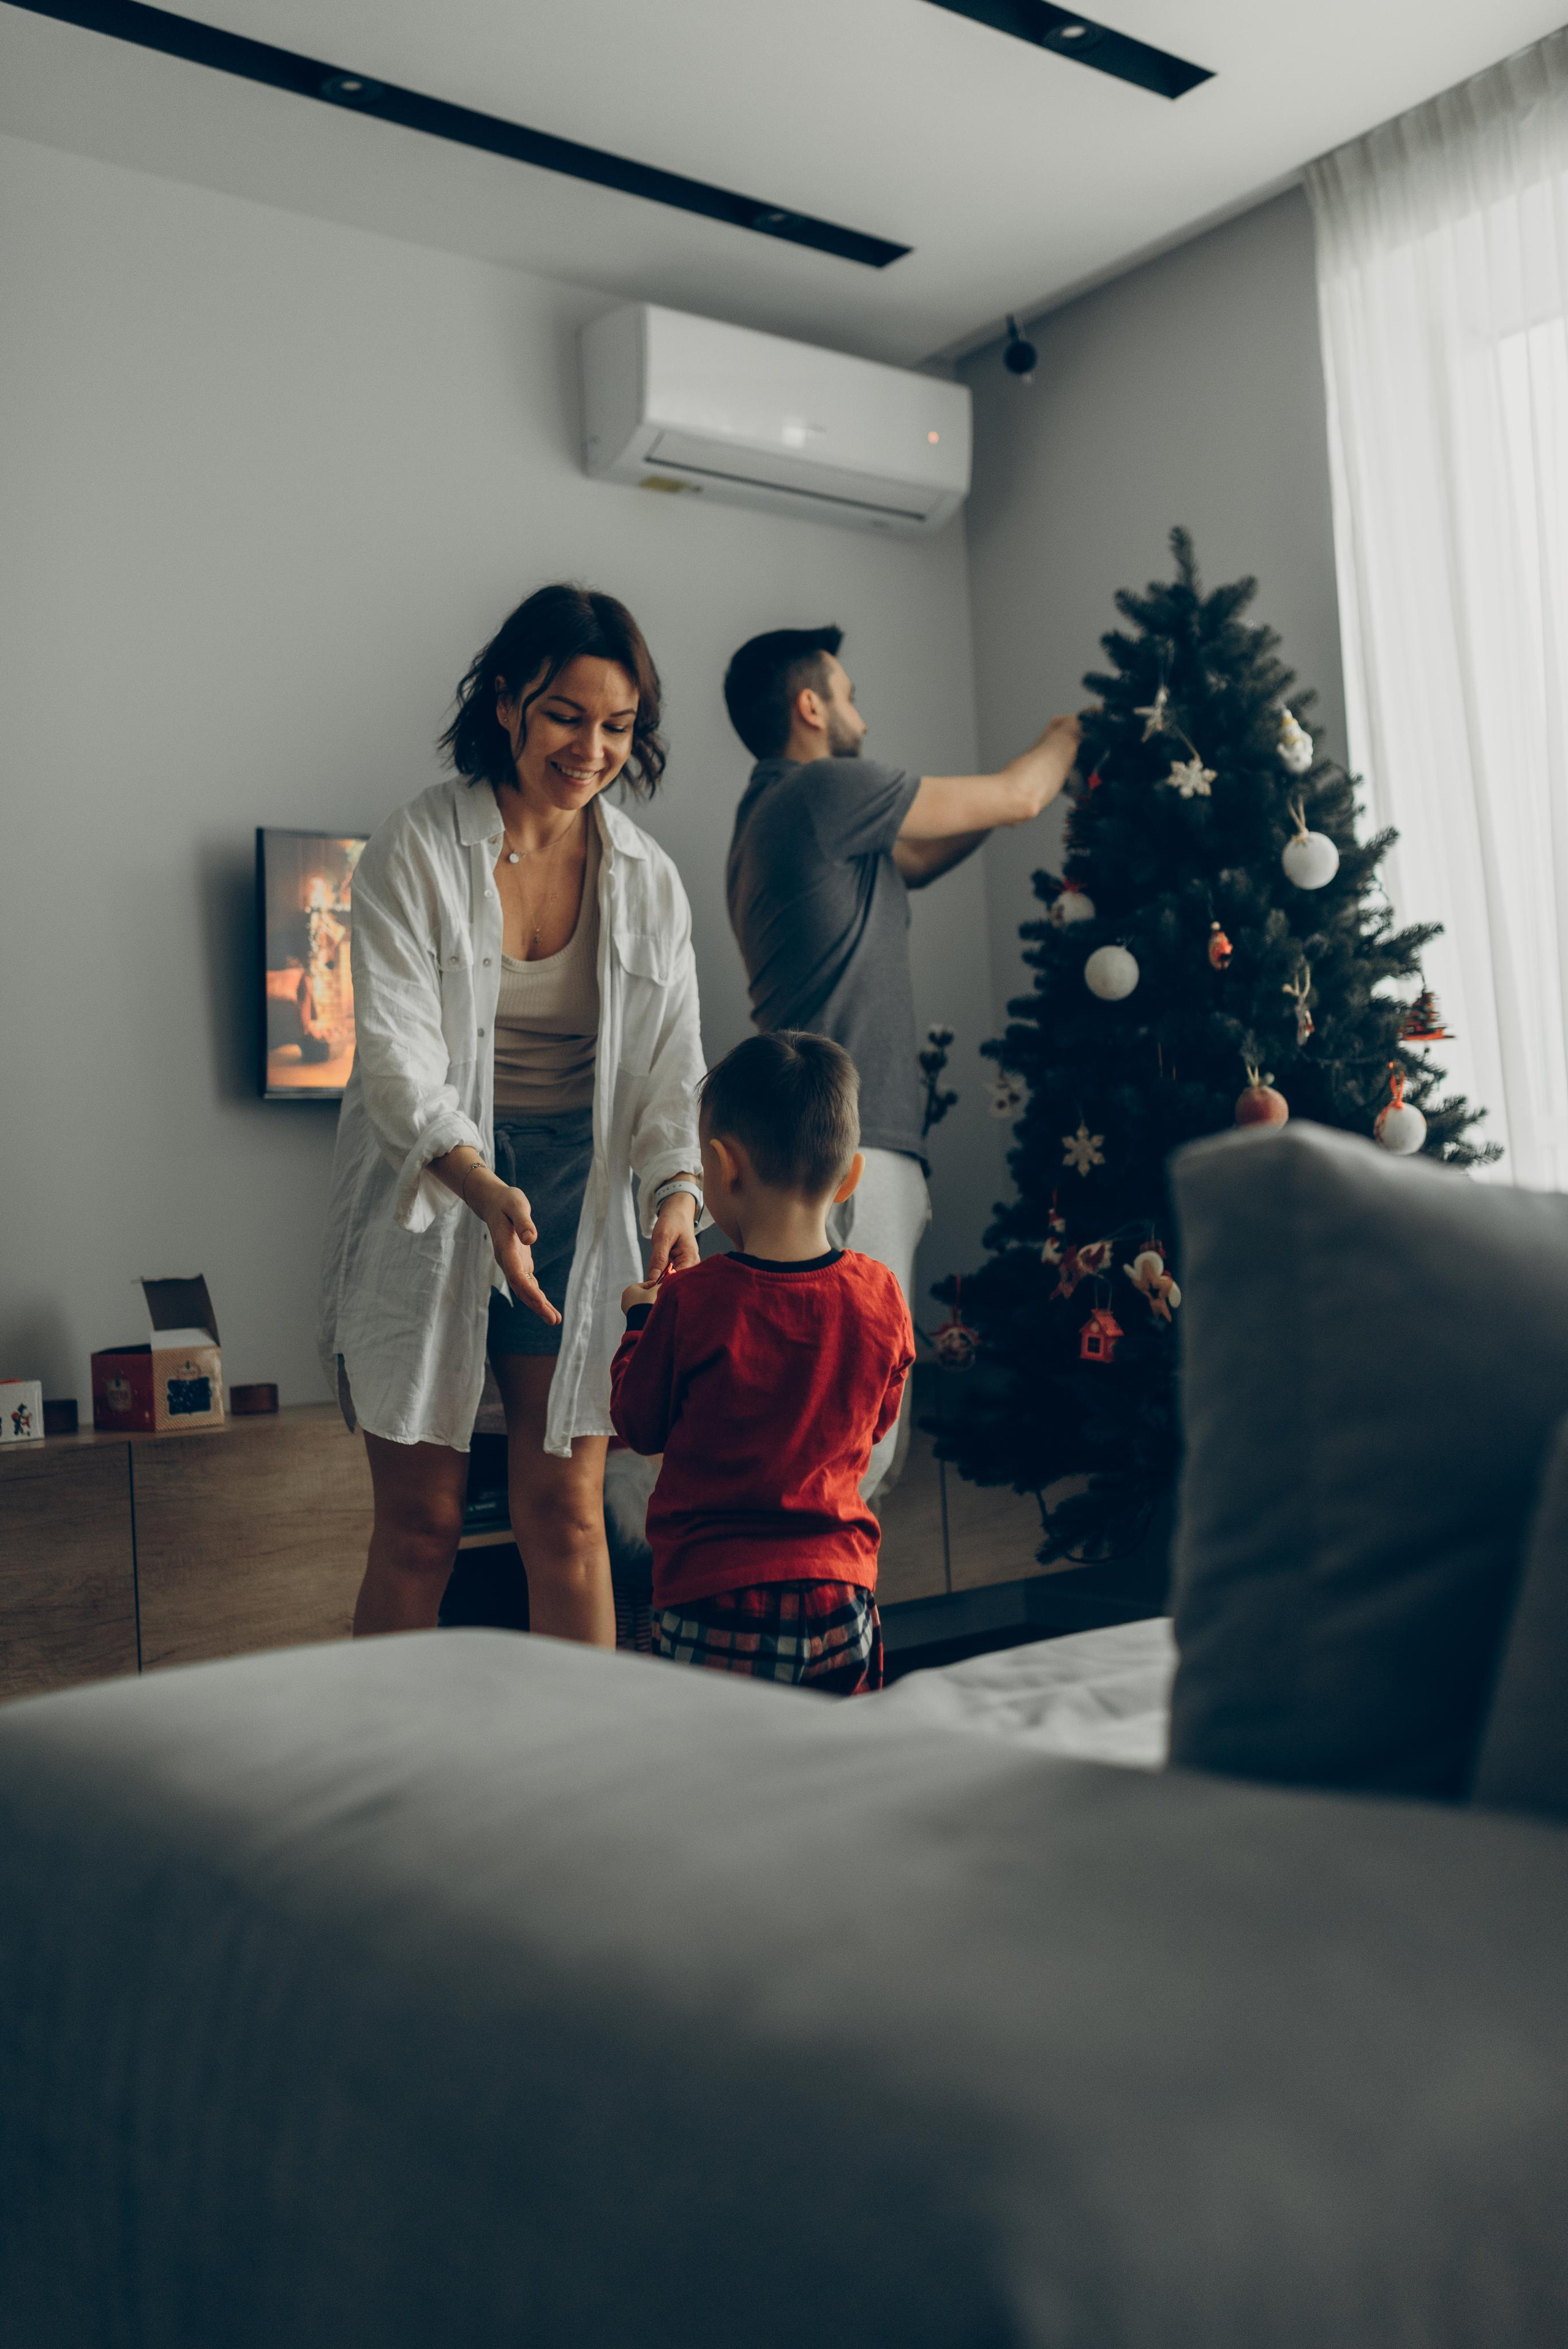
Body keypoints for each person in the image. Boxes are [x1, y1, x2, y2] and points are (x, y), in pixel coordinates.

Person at [319, 585, 706, 1647]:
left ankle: (578, 1780)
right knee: (421, 1523)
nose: (591, 748)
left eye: (617, 725)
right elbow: (394, 1057)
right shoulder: (416, 845)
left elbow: (675, 1062)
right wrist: (482, 1185)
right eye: (565, 715)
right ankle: (388, 1776)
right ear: (507, 703)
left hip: (579, 1190)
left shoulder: (648, 879)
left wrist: (676, 1194)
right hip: (440, 1185)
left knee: (566, 1514)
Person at [723, 625, 1081, 1497]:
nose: (863, 718)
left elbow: (920, 851)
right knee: (862, 1417)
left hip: (809, 1137)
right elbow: (1021, 796)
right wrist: (1072, 733)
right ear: (810, 706)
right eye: (847, 694)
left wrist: (990, 811)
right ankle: (830, 1616)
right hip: (854, 1140)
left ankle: (811, 1606)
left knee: (822, 1402)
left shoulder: (774, 814)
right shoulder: (825, 791)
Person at [609, 1031, 913, 1694]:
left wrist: (641, 1318)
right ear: (850, 1175)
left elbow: (637, 1424)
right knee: (838, 1766)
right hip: (842, 1592)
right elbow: (875, 1420)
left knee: (722, 1778)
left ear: (722, 1166)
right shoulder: (881, 1293)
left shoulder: (691, 1301)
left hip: (716, 1599)